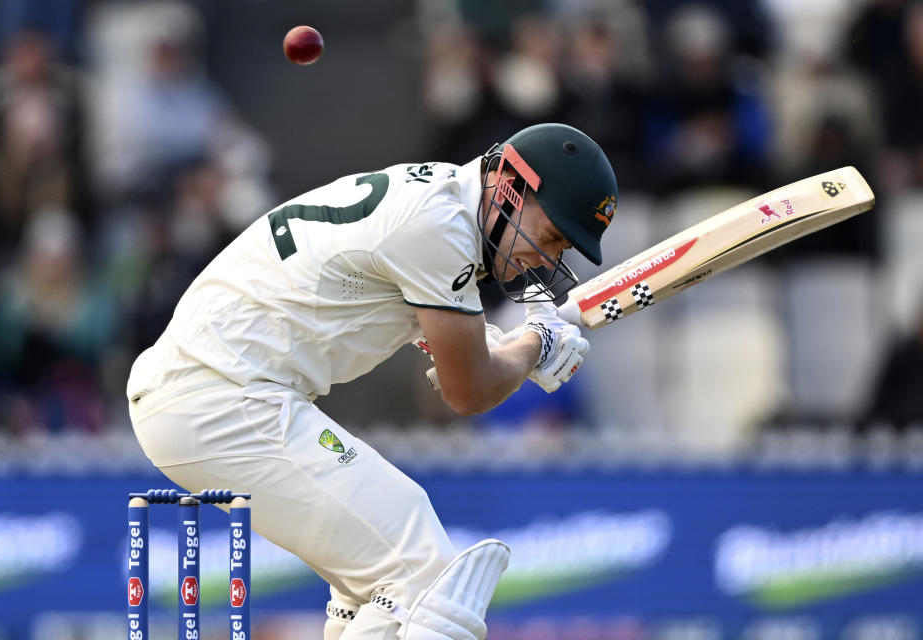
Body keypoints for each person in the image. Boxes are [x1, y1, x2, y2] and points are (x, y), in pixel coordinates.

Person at [126, 123, 618, 639]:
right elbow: (468, 390)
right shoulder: (440, 227)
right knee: (421, 569)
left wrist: (510, 349)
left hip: (212, 393)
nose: (547, 259)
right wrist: (535, 344)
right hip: (220, 397)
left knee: (373, 584)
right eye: (551, 237)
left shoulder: (440, 208)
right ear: (508, 186)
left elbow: (441, 339)